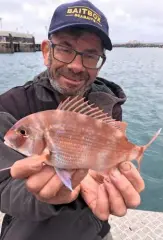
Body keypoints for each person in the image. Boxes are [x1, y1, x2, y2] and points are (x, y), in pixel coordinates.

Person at [0, 0, 145, 239]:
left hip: (93, 228)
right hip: (26, 229)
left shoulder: (108, 103)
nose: (77, 66)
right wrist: (41, 197)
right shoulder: (9, 106)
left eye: (90, 55)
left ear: (100, 62)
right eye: (66, 49)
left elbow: (111, 161)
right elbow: (2, 185)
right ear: (47, 51)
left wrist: (115, 173)